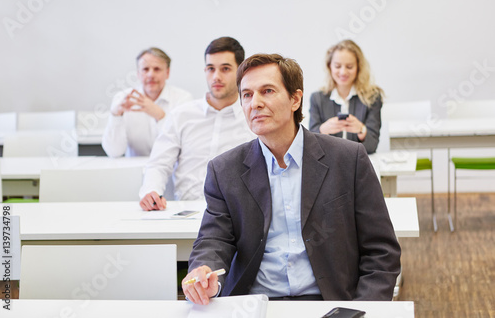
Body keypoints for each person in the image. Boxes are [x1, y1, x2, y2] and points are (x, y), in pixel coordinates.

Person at [183, 54, 400, 304]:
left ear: (295, 99)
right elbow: (214, 239)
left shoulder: (348, 159)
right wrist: (203, 270)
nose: (255, 103)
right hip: (255, 302)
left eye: (267, 91)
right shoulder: (225, 170)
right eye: (247, 95)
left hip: (328, 301)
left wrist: (364, 308)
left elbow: (382, 251)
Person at [139, 37, 255, 210]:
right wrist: (151, 191)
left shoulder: (254, 118)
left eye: (225, 69)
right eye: (210, 69)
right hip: (187, 212)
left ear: (241, 72)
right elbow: (158, 163)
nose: (216, 77)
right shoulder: (181, 115)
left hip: (238, 214)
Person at [102, 47, 192, 157]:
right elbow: (114, 152)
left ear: (167, 73)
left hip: (171, 171)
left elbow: (186, 148)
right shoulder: (123, 99)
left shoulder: (183, 99)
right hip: (133, 171)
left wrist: (161, 116)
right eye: (145, 69)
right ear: (138, 73)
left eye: (157, 69)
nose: (150, 75)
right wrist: (116, 115)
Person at [309, 39, 384, 154]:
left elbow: (372, 146)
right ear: (330, 67)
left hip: (360, 163)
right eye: (338, 66)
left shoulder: (372, 98)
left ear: (358, 67)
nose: (343, 72)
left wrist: (361, 130)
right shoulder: (317, 99)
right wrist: (322, 130)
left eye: (349, 67)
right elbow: (310, 145)